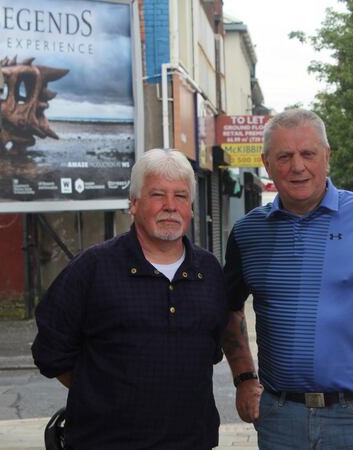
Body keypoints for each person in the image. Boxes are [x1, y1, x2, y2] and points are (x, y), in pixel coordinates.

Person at [221, 109, 353, 450]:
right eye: (284, 156)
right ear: (267, 164)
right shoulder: (247, 232)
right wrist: (243, 378)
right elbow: (229, 308)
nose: (297, 166)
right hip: (281, 420)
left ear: (326, 157)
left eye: (308, 154)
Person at [31, 148, 228, 449]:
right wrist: (108, 394)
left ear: (191, 207)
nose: (170, 206)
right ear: (134, 204)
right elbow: (51, 353)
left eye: (180, 196)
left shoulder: (209, 271)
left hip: (192, 440)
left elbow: (209, 352)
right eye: (158, 195)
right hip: (106, 441)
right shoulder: (93, 268)